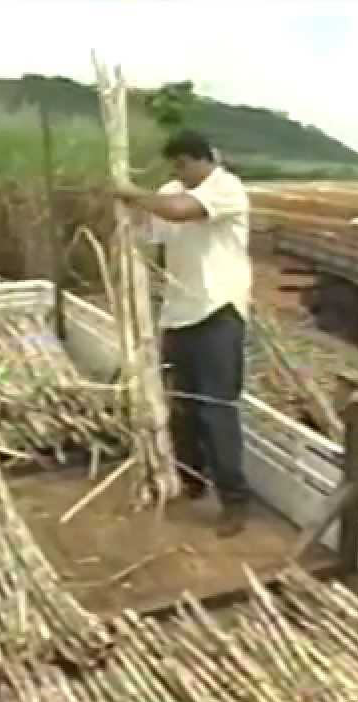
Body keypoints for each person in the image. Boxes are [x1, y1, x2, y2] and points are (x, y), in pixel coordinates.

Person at [111, 130, 254, 537]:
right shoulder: (171, 190)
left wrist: (131, 193)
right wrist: (129, 217)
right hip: (178, 315)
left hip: (217, 312)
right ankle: (190, 480)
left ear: (205, 159)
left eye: (184, 165)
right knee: (183, 408)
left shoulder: (226, 187)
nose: (179, 174)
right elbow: (153, 231)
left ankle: (235, 501)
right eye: (174, 167)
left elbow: (178, 212)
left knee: (216, 409)